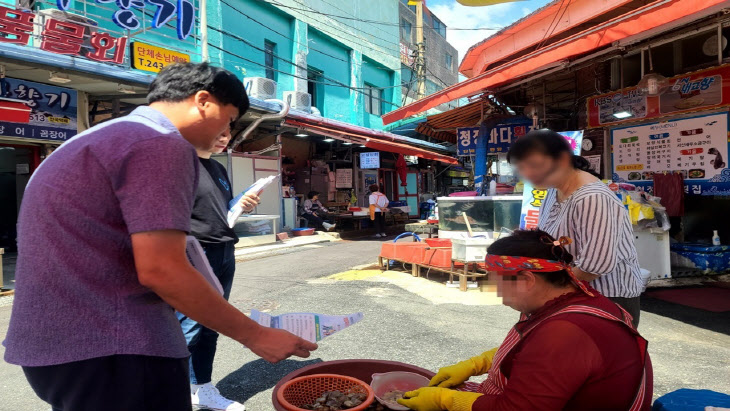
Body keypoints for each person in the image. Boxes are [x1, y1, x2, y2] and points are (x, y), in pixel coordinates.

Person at [3, 62, 317, 411]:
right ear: (203, 101)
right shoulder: (161, 144)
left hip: (62, 347)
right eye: (229, 118)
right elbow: (161, 269)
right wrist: (256, 335)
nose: (227, 131)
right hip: (118, 347)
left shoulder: (93, 140)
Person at [398, 230, 652, 411]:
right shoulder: (580, 298)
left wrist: (446, 401)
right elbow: (538, 356)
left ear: (527, 280)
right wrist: (476, 364)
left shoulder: (566, 331)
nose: (495, 292)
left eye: (496, 282)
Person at [507, 129, 644, 327]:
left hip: (604, 299)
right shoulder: (552, 193)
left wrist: (545, 292)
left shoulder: (592, 197)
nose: (527, 174)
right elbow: (548, 241)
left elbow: (595, 266)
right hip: (568, 296)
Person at [179, 127, 260, 411]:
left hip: (225, 250)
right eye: (218, 130)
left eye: (227, 132)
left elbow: (221, 212)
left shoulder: (217, 168)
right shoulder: (178, 164)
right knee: (189, 327)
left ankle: (202, 388)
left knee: (212, 324)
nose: (224, 137)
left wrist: (242, 205)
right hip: (195, 252)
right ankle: (171, 395)